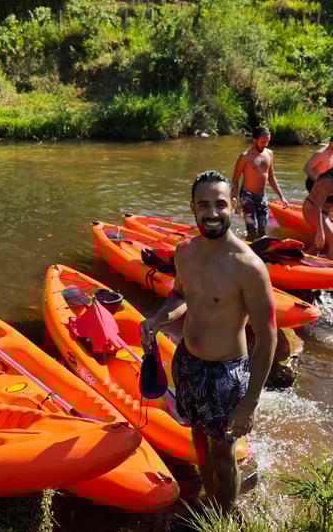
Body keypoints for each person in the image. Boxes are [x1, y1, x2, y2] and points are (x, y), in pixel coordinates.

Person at [139, 170, 277, 515]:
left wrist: (249, 403)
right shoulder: (184, 251)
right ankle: (208, 501)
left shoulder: (248, 267)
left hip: (225, 374)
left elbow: (267, 336)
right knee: (198, 440)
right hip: (187, 363)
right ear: (193, 207)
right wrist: (158, 319)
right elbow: (180, 295)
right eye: (204, 205)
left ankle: (223, 518)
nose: (212, 213)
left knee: (223, 454)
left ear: (233, 205)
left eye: (220, 204)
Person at [230, 126, 288, 241]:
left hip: (261, 196)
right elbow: (235, 179)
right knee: (252, 230)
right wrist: (235, 199)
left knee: (262, 231)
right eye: (262, 142)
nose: (265, 145)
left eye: (267, 142)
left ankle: (253, 247)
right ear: (254, 140)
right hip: (247, 196)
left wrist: (282, 196)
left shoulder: (269, 154)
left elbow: (271, 177)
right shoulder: (245, 157)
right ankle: (245, 248)